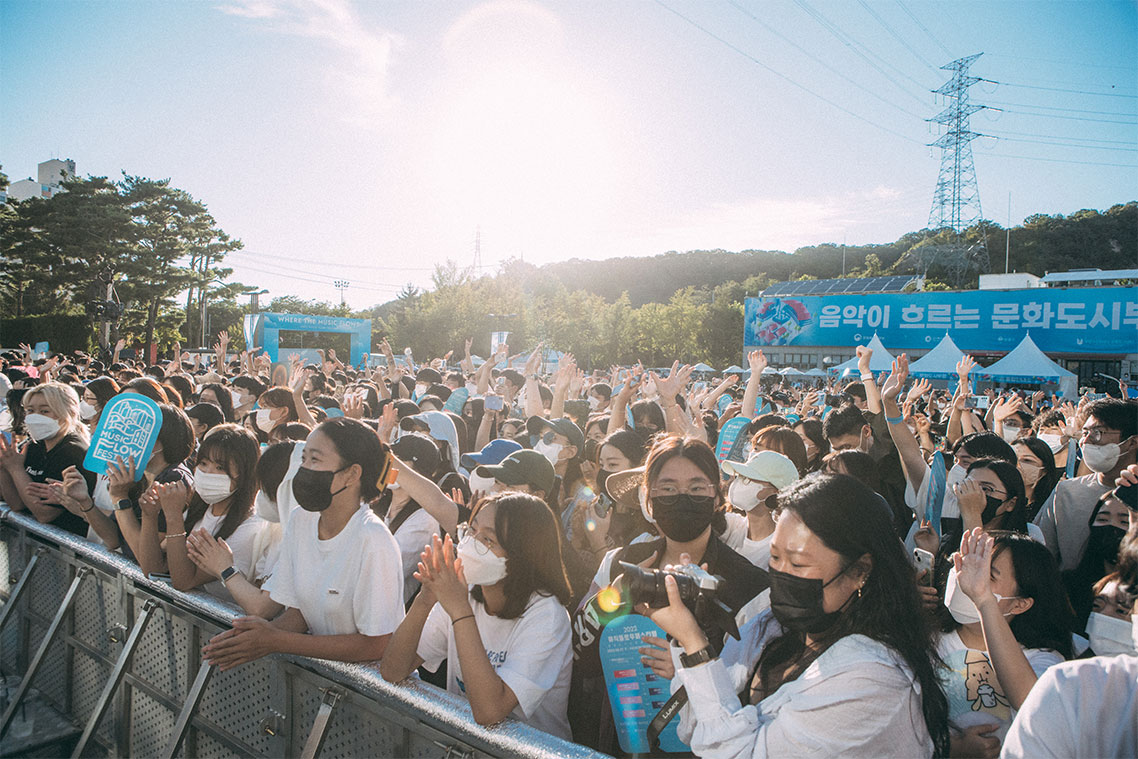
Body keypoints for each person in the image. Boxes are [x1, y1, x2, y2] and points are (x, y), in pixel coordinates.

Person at [648, 473, 950, 758]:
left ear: (860, 571)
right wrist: (691, 629)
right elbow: (697, 726)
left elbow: (735, 752)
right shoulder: (772, 627)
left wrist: (696, 647)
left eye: (798, 563)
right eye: (775, 557)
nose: (781, 573)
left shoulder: (874, 679)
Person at [201, 418, 404, 669]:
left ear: (352, 474)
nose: (304, 469)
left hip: (370, 695)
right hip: (323, 680)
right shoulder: (301, 519)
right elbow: (298, 611)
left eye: (315, 460)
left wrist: (277, 641)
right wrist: (255, 638)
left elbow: (376, 644)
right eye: (304, 459)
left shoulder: (373, 540)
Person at [381, 492, 575, 739]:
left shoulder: (547, 615)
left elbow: (489, 711)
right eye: (471, 531)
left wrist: (460, 610)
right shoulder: (465, 590)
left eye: (487, 539)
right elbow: (393, 670)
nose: (470, 544)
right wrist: (425, 598)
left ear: (522, 555)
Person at [936, 529, 1072, 756]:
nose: (967, 578)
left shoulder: (1042, 658)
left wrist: (984, 601)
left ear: (1020, 605)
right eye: (966, 566)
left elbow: (1031, 703)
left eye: (987, 574)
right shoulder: (928, 640)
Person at [150, 424, 268, 603]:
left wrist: (173, 517)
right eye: (203, 464)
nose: (207, 473)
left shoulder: (249, 527)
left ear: (244, 472)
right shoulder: (200, 508)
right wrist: (148, 515)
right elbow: (153, 566)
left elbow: (184, 580)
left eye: (220, 468)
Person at [1035, 399, 1137, 571]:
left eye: (1098, 433)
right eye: (1084, 433)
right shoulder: (1067, 492)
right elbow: (1040, 553)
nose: (1086, 441)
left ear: (1132, 442)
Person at [0, 382, 95, 537]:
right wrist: (5, 467)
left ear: (66, 413)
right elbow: (17, 504)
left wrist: (16, 470)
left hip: (65, 546)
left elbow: (45, 514)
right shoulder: (34, 446)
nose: (35, 417)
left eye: (45, 411)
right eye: (30, 411)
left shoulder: (73, 451)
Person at [380, 433, 443, 603]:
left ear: (418, 471)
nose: (390, 465)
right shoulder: (378, 503)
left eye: (399, 460)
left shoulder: (425, 519)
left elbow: (385, 567)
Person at [721, 450, 800, 569]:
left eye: (748, 479)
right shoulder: (731, 525)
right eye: (740, 476)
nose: (738, 483)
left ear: (776, 492)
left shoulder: (782, 548)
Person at [1013, 437, 1060, 523]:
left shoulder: (1050, 508)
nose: (1017, 465)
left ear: (1044, 470)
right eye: (1013, 458)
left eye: (1027, 460)